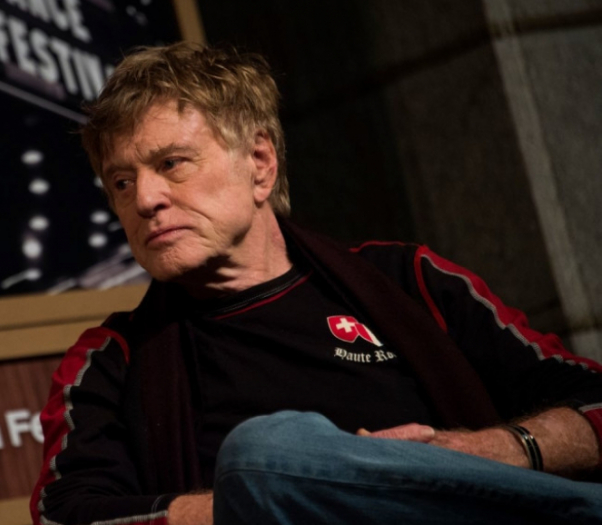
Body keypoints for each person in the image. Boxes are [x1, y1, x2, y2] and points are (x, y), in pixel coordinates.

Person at [30, 42, 602, 525]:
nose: (145, 199)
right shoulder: (111, 363)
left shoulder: (408, 281)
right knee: (263, 450)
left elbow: (593, 402)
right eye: (121, 182)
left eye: (172, 164)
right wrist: (254, 498)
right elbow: (66, 515)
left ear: (260, 163)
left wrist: (483, 451)